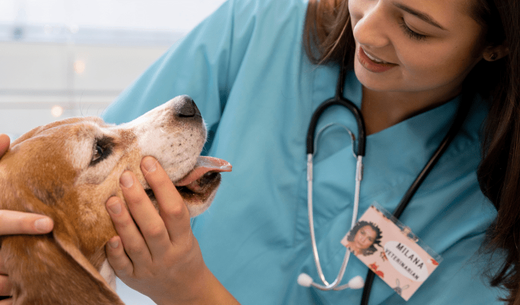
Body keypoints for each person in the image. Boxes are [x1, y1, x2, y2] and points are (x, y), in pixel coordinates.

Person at [0, 0, 517, 303]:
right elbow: (70, 184)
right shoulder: (264, 22)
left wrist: (188, 290)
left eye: (414, 26)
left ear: (496, 42)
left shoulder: (491, 202)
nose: (365, 27)